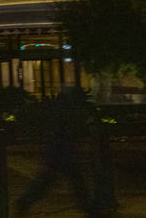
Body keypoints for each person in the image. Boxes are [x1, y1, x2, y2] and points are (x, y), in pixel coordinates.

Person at [15, 86, 92, 216]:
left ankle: (25, 201)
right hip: (62, 151)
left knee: (50, 181)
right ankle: (87, 207)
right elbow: (66, 131)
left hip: (58, 151)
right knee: (73, 180)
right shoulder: (65, 111)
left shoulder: (58, 109)